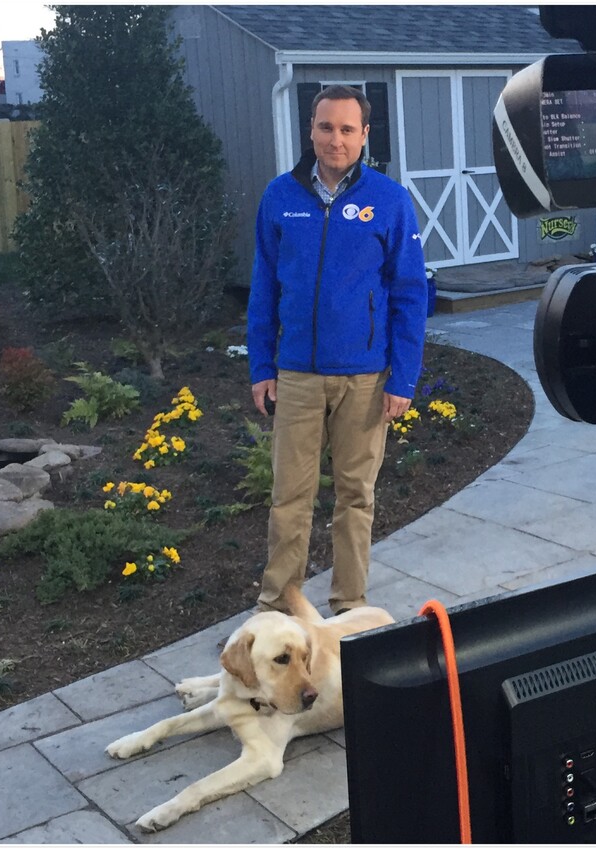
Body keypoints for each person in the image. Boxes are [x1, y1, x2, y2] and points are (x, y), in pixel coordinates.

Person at [247, 84, 428, 615]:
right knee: (289, 499)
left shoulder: (389, 200)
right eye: (326, 127)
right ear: (311, 129)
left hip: (367, 377)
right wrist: (262, 366)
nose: (336, 139)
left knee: (356, 498)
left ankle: (349, 605)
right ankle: (278, 609)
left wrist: (403, 378)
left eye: (348, 129)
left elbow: (411, 293)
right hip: (297, 373)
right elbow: (264, 288)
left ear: (365, 135)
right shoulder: (280, 197)